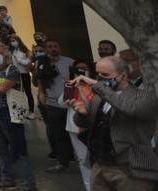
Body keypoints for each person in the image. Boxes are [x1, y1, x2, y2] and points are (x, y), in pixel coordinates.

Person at [68, 55, 158, 190]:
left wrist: (97, 86)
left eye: (105, 75)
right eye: (97, 74)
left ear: (123, 76)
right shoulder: (100, 96)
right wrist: (82, 113)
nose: (99, 79)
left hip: (130, 169)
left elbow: (127, 108)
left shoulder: (144, 97)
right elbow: (84, 124)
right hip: (100, 166)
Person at [0, 42, 36, 191]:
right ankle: (7, 180)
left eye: (0, 53)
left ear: (7, 56)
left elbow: (3, 88)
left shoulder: (13, 70)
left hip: (9, 114)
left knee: (19, 149)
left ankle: (29, 185)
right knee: (0, 149)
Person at [39, 38, 76, 173]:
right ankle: (63, 161)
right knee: (58, 134)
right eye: (49, 47)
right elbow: (40, 81)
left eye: (55, 46)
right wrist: (41, 95)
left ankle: (75, 156)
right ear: (45, 49)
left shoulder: (69, 62)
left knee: (74, 133)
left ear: (59, 48)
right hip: (53, 104)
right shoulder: (42, 63)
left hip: (70, 104)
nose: (52, 49)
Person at [64, 59, 94, 190]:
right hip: (74, 128)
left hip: (92, 128)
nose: (81, 71)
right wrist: (70, 86)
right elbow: (63, 101)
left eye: (84, 69)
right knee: (83, 160)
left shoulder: (96, 85)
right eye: (78, 69)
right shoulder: (70, 84)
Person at [8, 35, 34, 118]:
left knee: (28, 92)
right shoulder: (12, 51)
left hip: (24, 74)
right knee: (18, 93)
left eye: (14, 40)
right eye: (11, 41)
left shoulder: (25, 50)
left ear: (18, 40)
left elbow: (28, 62)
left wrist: (18, 59)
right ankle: (21, 110)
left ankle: (31, 110)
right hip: (16, 75)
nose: (13, 42)